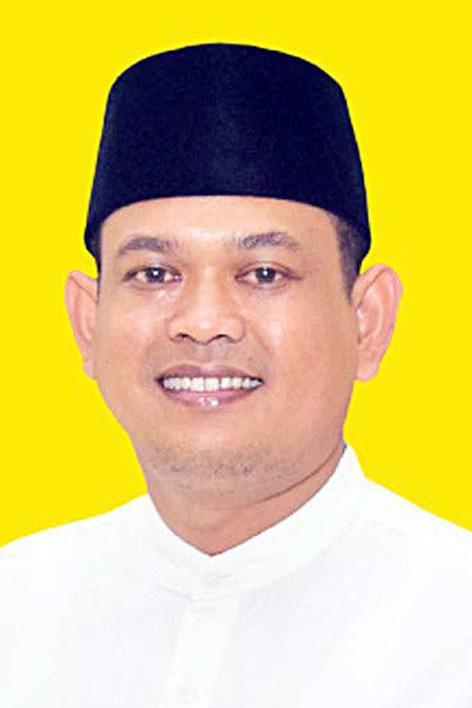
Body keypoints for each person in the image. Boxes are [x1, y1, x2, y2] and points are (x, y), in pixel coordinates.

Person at [1, 43, 471, 708]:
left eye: (264, 274)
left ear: (367, 321)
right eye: (154, 274)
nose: (202, 322)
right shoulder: (18, 606)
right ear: (87, 321)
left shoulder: (454, 623)